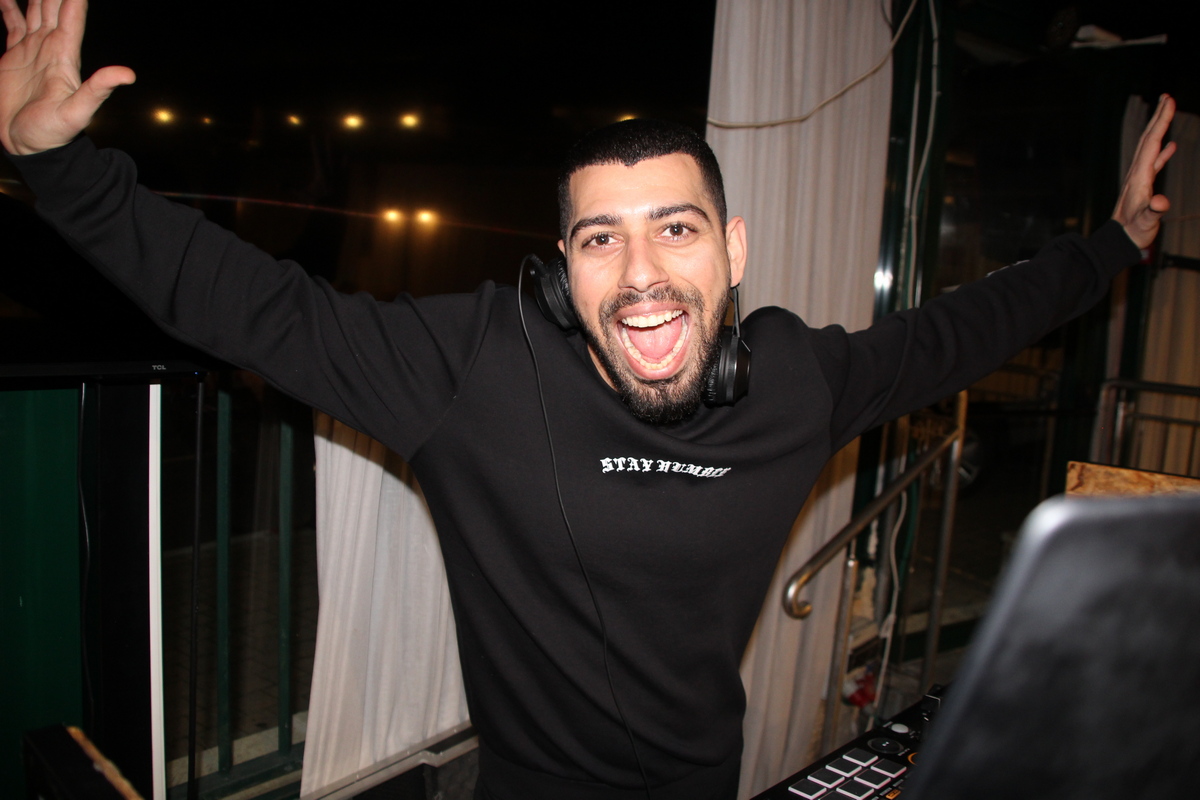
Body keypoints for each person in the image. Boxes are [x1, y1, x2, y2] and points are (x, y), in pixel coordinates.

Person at [0, 1, 1177, 798]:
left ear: (734, 250)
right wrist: (62, 169)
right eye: (602, 238)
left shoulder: (796, 377)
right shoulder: (475, 366)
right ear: (564, 271)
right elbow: (258, 307)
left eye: (677, 228)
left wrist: (1115, 244)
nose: (643, 272)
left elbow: (966, 330)